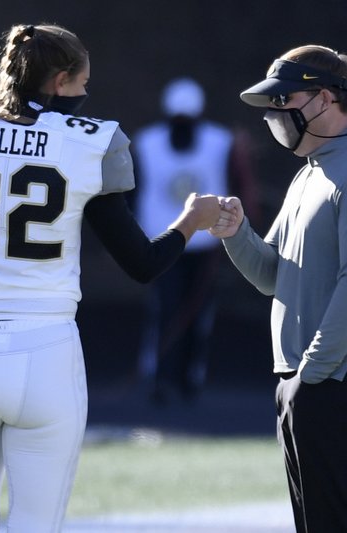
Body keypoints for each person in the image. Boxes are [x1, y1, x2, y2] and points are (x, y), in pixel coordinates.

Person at [0, 23, 225, 533]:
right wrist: (191, 221)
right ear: (59, 80)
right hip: (45, 349)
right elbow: (141, 263)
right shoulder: (84, 145)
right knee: (36, 524)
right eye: (82, 84)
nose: (84, 95)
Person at [208, 45, 347, 532]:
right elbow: (273, 276)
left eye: (285, 100)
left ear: (324, 98)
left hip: (344, 383)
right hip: (313, 382)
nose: (276, 114)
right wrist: (236, 233)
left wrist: (312, 374)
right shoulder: (313, 170)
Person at [132, 77, 254, 404]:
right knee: (165, 309)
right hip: (161, 241)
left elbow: (240, 183)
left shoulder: (222, 141)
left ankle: (189, 379)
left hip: (205, 244)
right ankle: (160, 377)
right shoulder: (145, 143)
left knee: (198, 312)